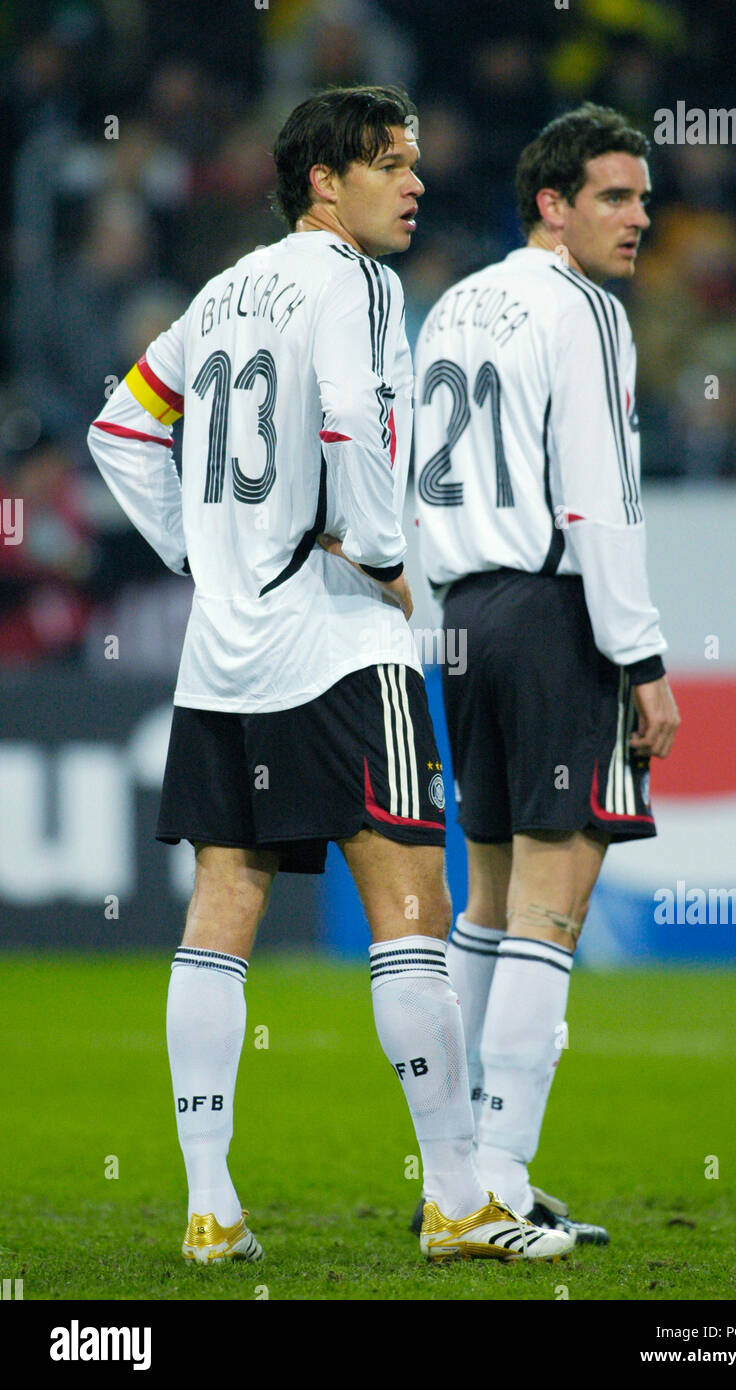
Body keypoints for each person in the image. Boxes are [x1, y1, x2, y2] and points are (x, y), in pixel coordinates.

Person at [87, 85, 575, 1265]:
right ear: (325, 181)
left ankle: (210, 1206)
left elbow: (118, 431)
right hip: (342, 640)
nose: (414, 183)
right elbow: (356, 424)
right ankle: (458, 1199)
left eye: (414, 160)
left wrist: (207, 553)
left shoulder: (218, 290)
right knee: (413, 907)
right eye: (391, 163)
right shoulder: (355, 282)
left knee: (223, 910)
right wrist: (385, 553)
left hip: (226, 651)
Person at [412, 102, 681, 1243]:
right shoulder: (583, 310)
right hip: (558, 611)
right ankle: (501, 1175)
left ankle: (460, 1173)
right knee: (551, 903)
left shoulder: (453, 305)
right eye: (613, 197)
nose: (637, 219)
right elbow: (599, 498)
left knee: (485, 898)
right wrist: (647, 657)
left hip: (465, 615)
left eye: (645, 199)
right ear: (552, 205)